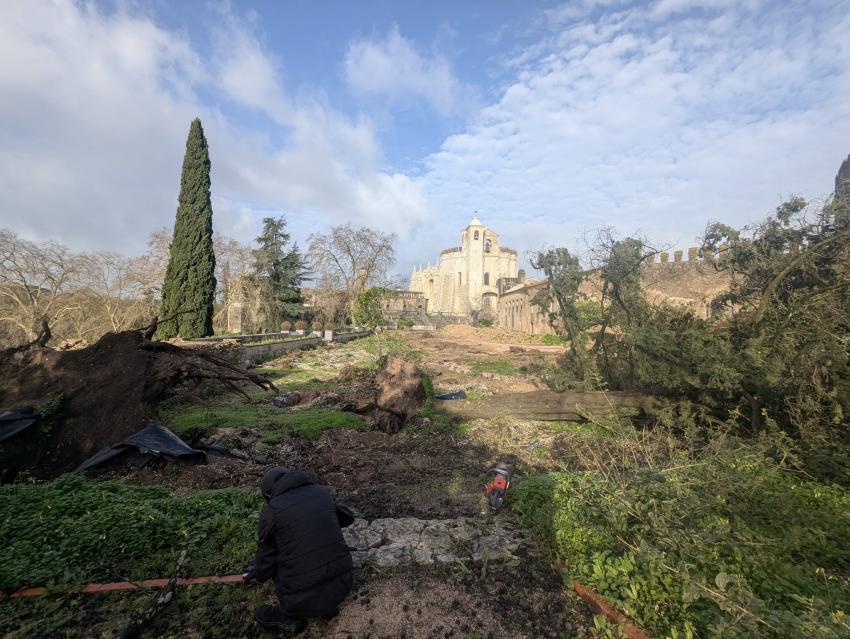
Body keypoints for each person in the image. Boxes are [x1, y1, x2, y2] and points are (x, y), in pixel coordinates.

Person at [243, 467, 354, 635]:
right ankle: (326, 608)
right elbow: (347, 517)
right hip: (343, 585)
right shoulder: (322, 493)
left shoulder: (272, 511)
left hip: (299, 600)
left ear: (268, 494)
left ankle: (287, 617)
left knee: (279, 560)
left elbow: (266, 564)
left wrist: (256, 573)